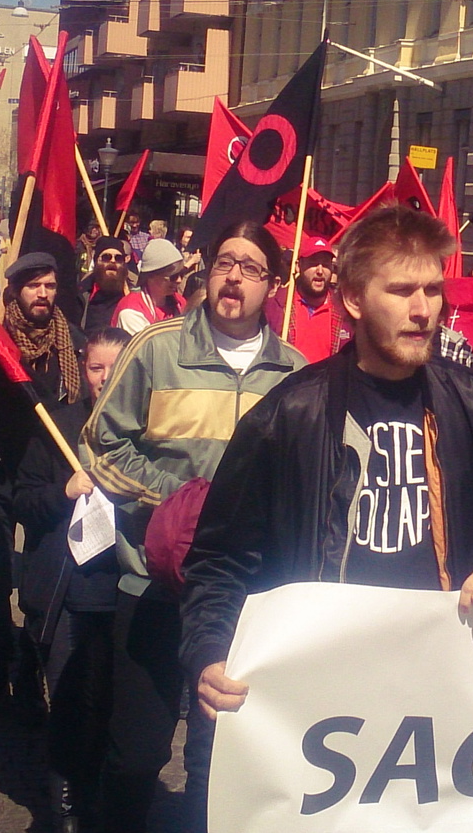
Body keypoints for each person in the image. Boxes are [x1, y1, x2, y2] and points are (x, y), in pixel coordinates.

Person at [180, 204, 473, 833]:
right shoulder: (288, 416)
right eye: (402, 290)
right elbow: (220, 561)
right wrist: (208, 653)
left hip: (436, 700)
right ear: (354, 299)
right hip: (319, 701)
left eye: (433, 290)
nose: (424, 309)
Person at [82, 219, 305, 832]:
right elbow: (101, 445)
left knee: (217, 763)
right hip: (152, 586)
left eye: (252, 267)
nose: (234, 276)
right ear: (205, 271)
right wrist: (177, 503)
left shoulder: (295, 372)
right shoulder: (156, 347)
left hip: (240, 601)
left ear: (274, 284)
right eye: (224, 261)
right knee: (136, 756)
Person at [16, 327, 130, 833]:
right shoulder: (56, 427)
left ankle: (98, 792)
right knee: (65, 697)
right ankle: (61, 798)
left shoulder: (142, 430)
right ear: (81, 369)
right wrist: (63, 490)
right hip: (67, 590)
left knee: (107, 700)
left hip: (121, 590)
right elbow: (24, 501)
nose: (104, 378)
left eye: (113, 367)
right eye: (94, 367)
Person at [0, 252, 86, 722]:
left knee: (38, 584)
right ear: (14, 290)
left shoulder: (70, 341)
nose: (43, 293)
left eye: (51, 285)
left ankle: (33, 675)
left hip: (47, 478)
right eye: (34, 285)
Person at [272, 236, 343, 364]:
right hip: (288, 382)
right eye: (313, 263)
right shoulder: (277, 304)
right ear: (299, 266)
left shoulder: (344, 310)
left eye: (326, 265)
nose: (320, 271)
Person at [111, 237, 185, 335]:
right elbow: (150, 349)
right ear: (151, 276)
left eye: (181, 274)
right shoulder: (131, 311)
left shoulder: (179, 302)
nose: (179, 280)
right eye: (173, 276)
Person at [82, 235, 130, 333]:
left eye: (118, 258)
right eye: (106, 257)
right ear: (96, 261)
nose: (112, 261)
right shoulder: (82, 293)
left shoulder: (133, 292)